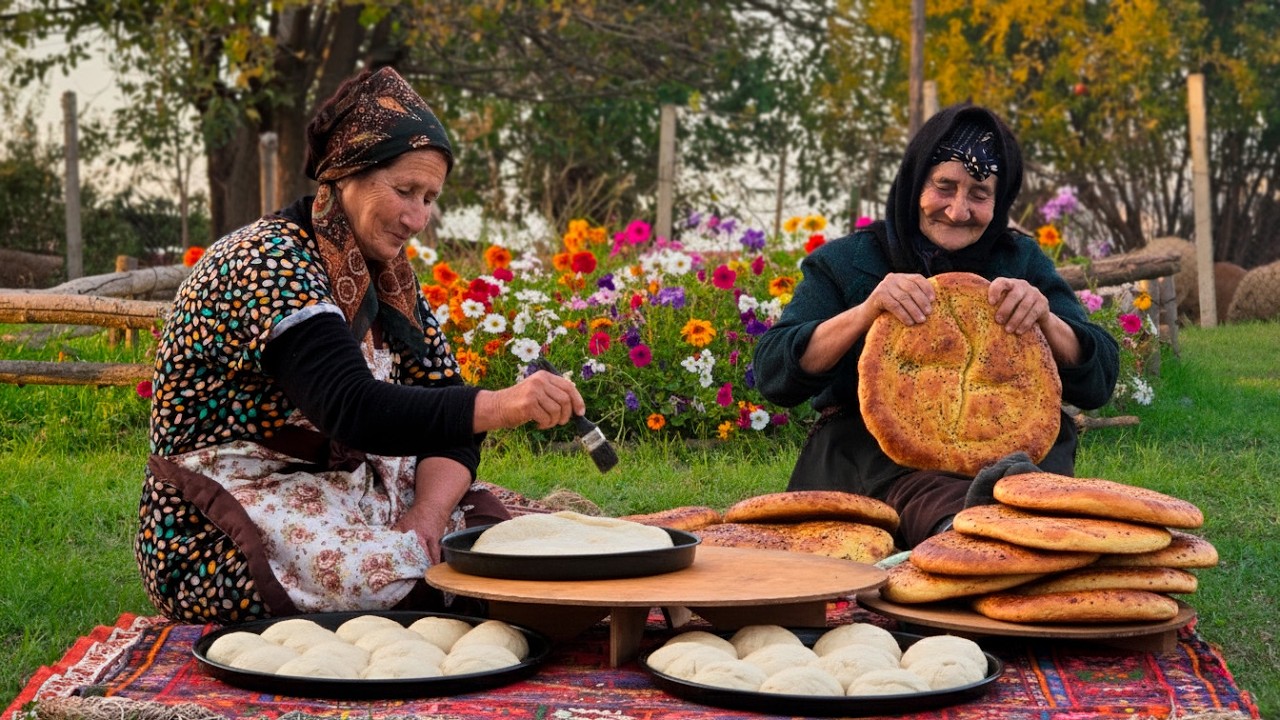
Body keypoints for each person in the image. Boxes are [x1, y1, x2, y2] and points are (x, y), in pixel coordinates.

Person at [136, 67, 585, 624]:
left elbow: (445, 408)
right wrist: (501, 404)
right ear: (346, 174)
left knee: (499, 546)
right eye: (404, 191)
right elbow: (351, 408)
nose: (416, 218)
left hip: (342, 489)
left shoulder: (388, 278)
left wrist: (426, 513)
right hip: (222, 516)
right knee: (421, 585)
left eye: (429, 198)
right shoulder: (267, 261)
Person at [753, 103, 1120, 550]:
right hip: (875, 459)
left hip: (1007, 449)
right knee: (932, 494)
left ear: (999, 201)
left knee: (1021, 473)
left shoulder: (1019, 262)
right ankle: (974, 532)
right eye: (944, 186)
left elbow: (1099, 378)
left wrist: (1045, 317)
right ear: (914, 184)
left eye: (979, 194)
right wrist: (866, 312)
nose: (957, 210)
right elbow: (774, 372)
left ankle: (999, 525)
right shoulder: (848, 262)